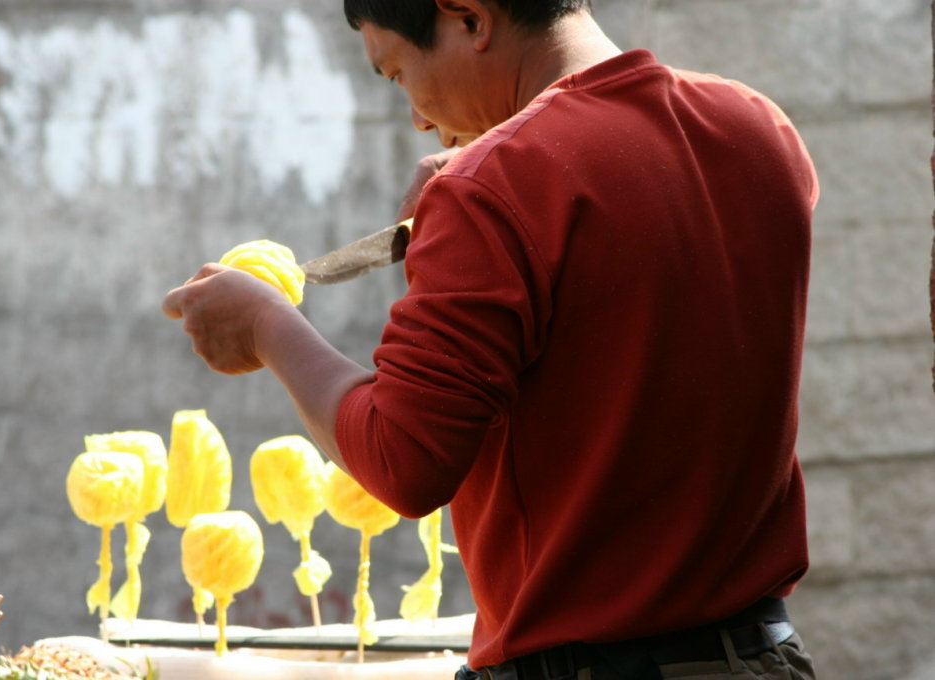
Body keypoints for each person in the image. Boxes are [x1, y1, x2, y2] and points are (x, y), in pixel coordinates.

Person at [162, 1, 819, 678]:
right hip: (760, 656)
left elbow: (404, 460)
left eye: (395, 72)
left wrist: (267, 326)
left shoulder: (496, 187)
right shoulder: (757, 127)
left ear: (469, 18)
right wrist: (489, 179)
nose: (417, 117)